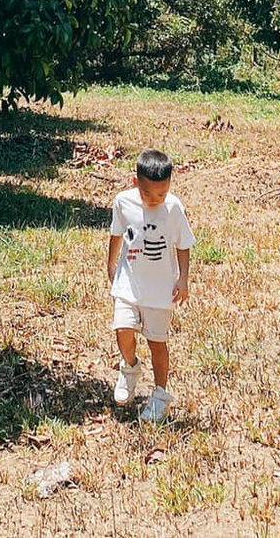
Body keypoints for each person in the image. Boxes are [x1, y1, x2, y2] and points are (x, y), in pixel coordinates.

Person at [105, 148, 194, 423]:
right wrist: (111, 264)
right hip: (129, 285)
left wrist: (183, 278)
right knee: (123, 329)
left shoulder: (174, 208)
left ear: (169, 185)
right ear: (135, 182)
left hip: (160, 291)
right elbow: (116, 234)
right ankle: (130, 368)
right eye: (147, 193)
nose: (154, 200)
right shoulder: (123, 202)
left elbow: (184, 245)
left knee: (157, 343)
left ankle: (160, 395)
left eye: (161, 193)